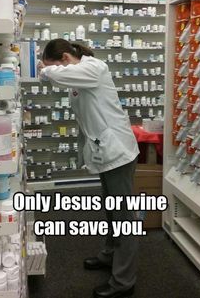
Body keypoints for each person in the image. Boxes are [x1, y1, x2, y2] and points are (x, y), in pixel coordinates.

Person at [38, 39, 140, 298]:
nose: (53, 72)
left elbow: (57, 75)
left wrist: (42, 67)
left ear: (64, 58)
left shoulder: (95, 67)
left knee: (124, 219)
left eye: (54, 65)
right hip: (104, 152)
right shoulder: (77, 79)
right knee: (111, 211)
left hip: (119, 154)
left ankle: (123, 282)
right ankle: (109, 257)